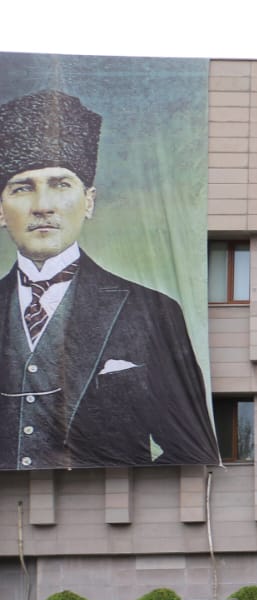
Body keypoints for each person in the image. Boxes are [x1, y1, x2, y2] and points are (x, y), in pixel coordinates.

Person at [0, 89, 216, 470]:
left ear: (90, 201)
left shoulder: (152, 311)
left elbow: (190, 445)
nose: (43, 206)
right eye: (23, 188)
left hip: (110, 518)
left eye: (61, 184)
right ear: (1, 210)